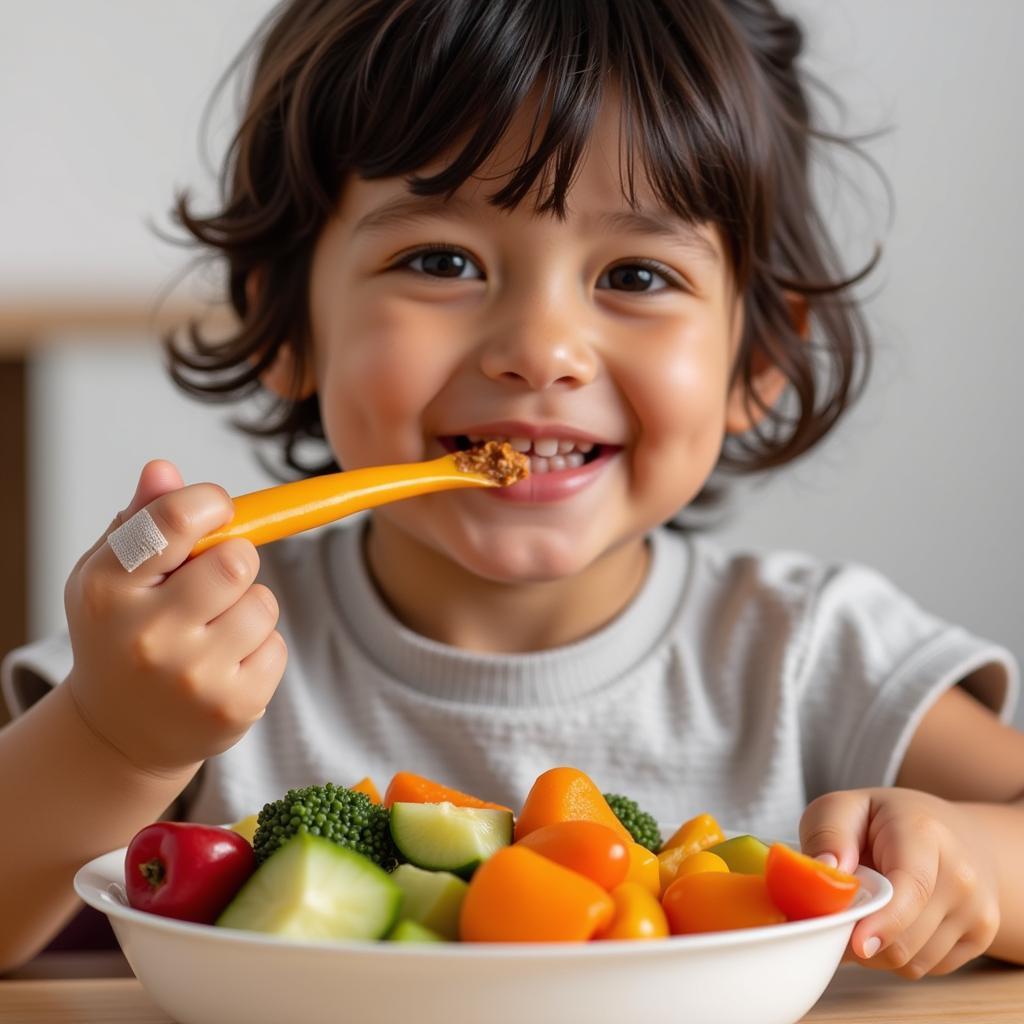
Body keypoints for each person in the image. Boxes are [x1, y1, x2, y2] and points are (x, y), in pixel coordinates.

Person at [1, 0, 1021, 979]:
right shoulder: (189, 656)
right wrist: (112, 736)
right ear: (286, 323)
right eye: (440, 259)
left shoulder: (810, 651)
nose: (541, 352)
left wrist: (973, 856)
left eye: (635, 277)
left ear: (756, 358)